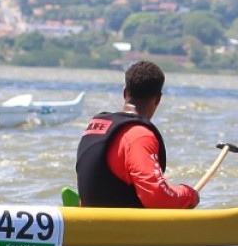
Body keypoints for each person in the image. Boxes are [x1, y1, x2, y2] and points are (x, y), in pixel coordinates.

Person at [75, 60, 199, 209]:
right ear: (158, 100)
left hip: (89, 217)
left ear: (125, 92)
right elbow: (157, 197)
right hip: (120, 226)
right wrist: (189, 194)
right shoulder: (139, 136)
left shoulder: (96, 126)